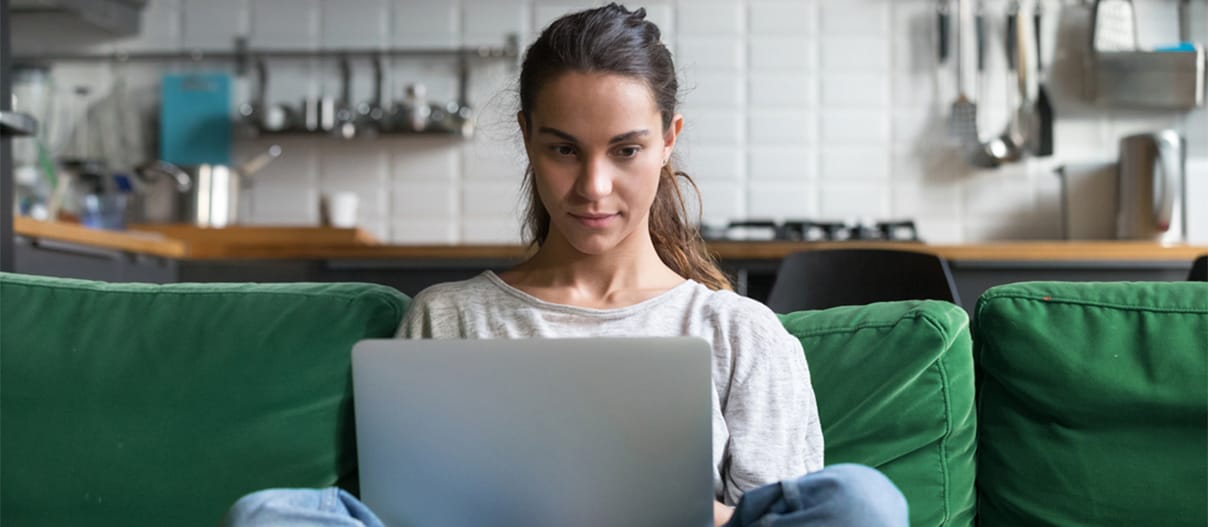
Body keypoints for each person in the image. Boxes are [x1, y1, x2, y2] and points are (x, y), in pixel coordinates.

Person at [224, 4, 907, 526]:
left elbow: (789, 512)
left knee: (861, 499)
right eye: (564, 149)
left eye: (626, 150)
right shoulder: (449, 315)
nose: (593, 186)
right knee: (266, 513)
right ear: (527, 137)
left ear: (669, 140)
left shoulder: (738, 330)